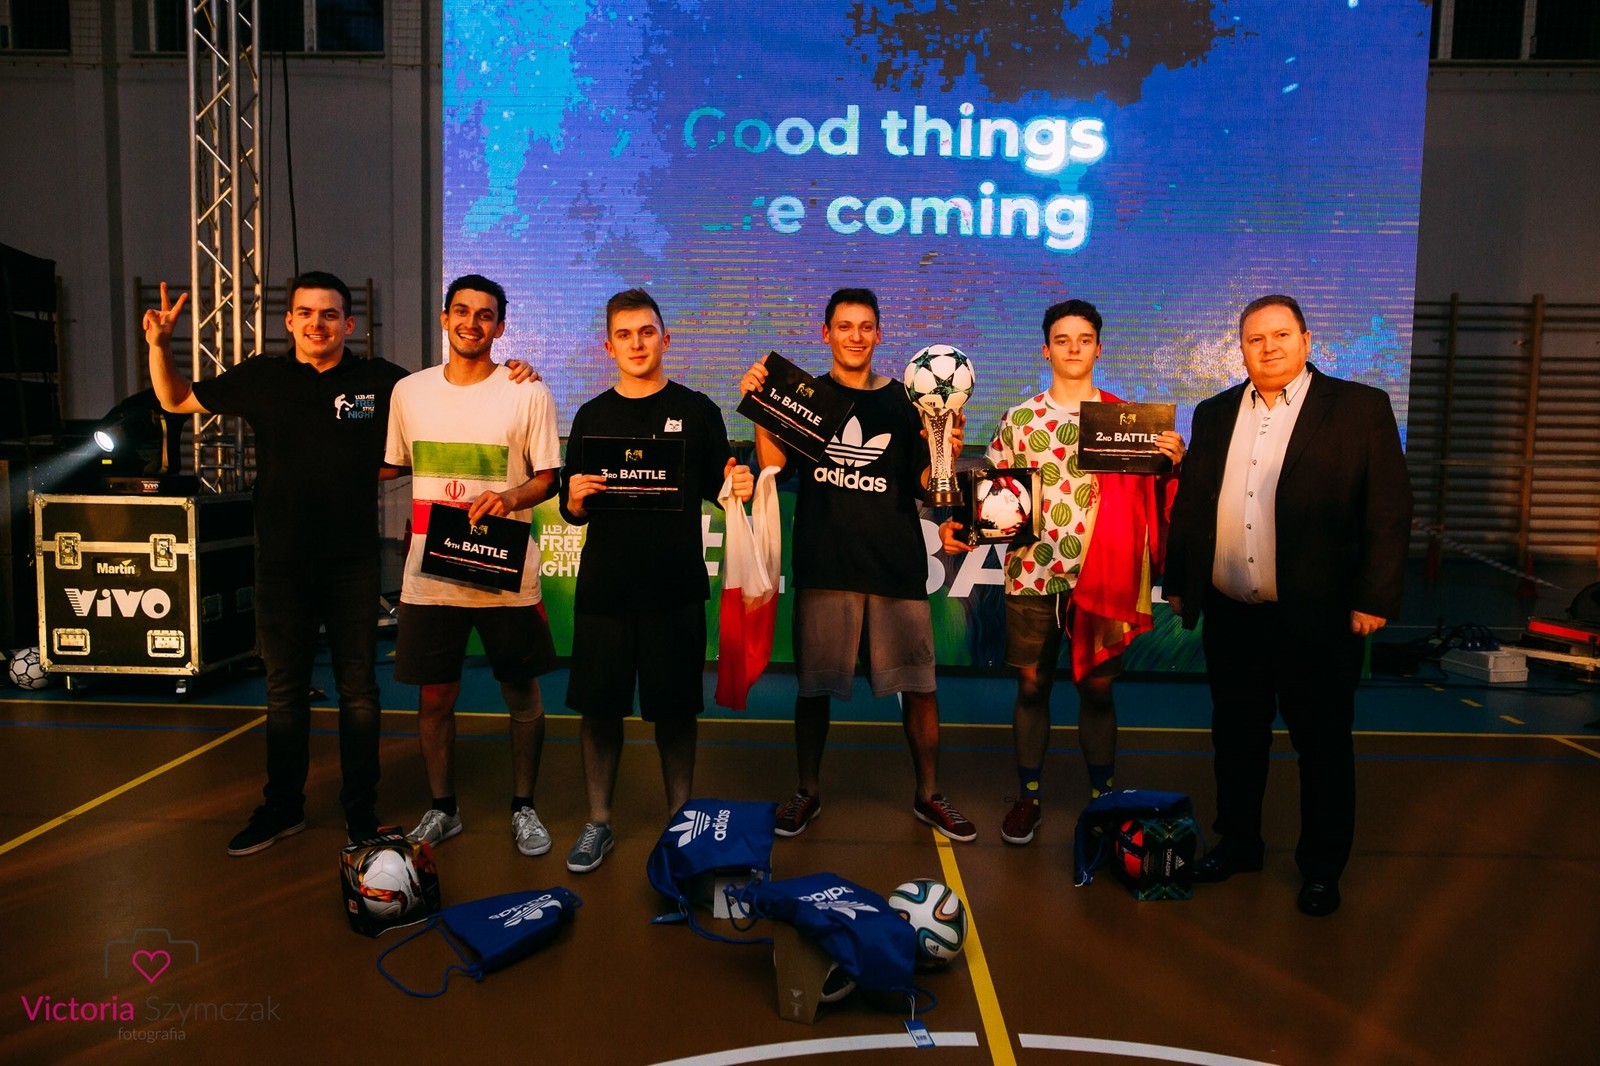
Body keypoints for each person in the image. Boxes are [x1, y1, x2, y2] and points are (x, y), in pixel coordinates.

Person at [1165, 294, 1412, 917]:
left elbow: (1388, 509)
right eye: (1255, 339)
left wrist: (1374, 596)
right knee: (1236, 739)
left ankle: (1322, 868)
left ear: (1306, 340)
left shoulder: (1360, 408)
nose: (1268, 347)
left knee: (1322, 745)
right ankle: (1239, 842)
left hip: (1319, 617)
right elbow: (1194, 503)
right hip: (1232, 614)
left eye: (1280, 335)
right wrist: (1180, 581)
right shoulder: (1214, 412)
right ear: (1241, 349)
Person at [144, 273, 407, 855]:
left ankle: (360, 812)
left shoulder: (382, 380)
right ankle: (283, 809)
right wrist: (160, 346)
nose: (318, 323)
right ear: (289, 322)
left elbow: (444, 412)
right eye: (306, 313)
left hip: (353, 563)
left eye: (330, 314)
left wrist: (512, 373)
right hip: (282, 564)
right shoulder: (263, 376)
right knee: (284, 693)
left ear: (349, 324)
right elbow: (174, 400)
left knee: (359, 692)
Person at [938, 299, 1183, 845]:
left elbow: (1159, 497)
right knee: (1032, 687)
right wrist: (963, 526)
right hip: (1034, 573)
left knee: (1097, 690)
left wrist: (1173, 462)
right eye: (1063, 339)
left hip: (1105, 576)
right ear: (1046, 350)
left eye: (1084, 339)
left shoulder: (1130, 422)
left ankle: (1104, 800)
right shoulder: (1020, 420)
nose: (1074, 348)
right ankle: (1028, 797)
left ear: (1099, 348)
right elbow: (995, 495)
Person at [739, 287, 976, 842]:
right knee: (813, 689)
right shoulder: (808, 396)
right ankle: (808, 790)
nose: (855, 336)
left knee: (920, 688)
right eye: (844, 326)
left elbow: (926, 486)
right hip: (826, 566)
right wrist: (759, 408)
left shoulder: (906, 401)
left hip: (896, 568)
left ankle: (929, 795)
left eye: (866, 326)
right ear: (826, 334)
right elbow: (773, 468)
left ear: (879, 334)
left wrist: (944, 450)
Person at [560, 288, 752, 873]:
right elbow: (573, 507)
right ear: (608, 347)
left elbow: (722, 486)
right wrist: (573, 500)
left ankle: (681, 821)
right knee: (600, 711)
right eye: (624, 334)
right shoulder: (591, 415)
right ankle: (599, 822)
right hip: (606, 589)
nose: (637, 344)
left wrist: (739, 484)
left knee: (675, 713)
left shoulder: (697, 410)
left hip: (674, 589)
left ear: (665, 339)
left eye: (647, 332)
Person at [384, 275, 562, 857]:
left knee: (521, 694)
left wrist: (509, 498)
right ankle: (443, 810)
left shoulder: (527, 392)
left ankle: (524, 806)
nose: (472, 323)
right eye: (461, 311)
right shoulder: (409, 392)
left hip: (505, 573)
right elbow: (391, 463)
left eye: (485, 315)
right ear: (444, 318)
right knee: (435, 698)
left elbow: (547, 478)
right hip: (430, 577)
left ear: (500, 326)